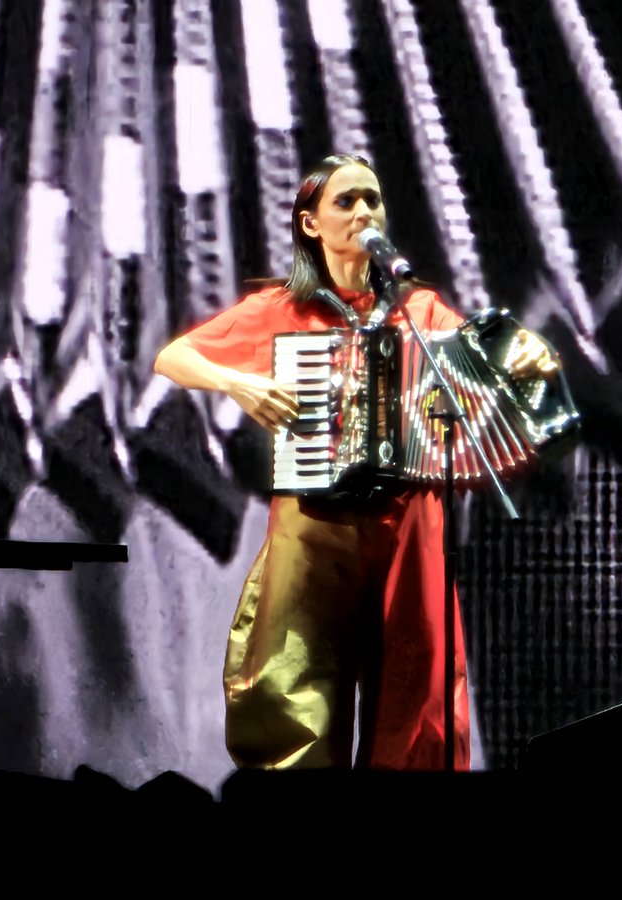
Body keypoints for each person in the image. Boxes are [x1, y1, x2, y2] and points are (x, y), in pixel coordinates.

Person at [153, 153, 559, 771]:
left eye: (372, 199)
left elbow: (476, 365)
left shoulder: (419, 311)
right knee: (296, 690)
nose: (364, 212)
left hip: (408, 522)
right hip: (316, 523)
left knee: (416, 693)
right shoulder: (283, 309)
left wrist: (526, 357)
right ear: (310, 223)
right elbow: (175, 357)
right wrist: (238, 383)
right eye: (346, 201)